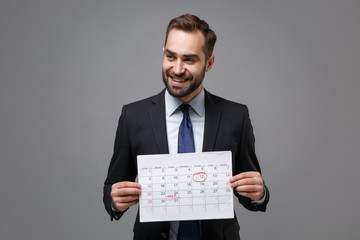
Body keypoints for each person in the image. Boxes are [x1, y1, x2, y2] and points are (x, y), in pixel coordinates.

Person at [103, 14, 269, 240]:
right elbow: (112, 186)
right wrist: (115, 201)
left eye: (189, 60)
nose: (177, 69)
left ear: (209, 63)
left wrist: (259, 194)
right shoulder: (133, 116)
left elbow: (250, 192)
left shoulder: (236, 116)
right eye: (171, 56)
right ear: (163, 53)